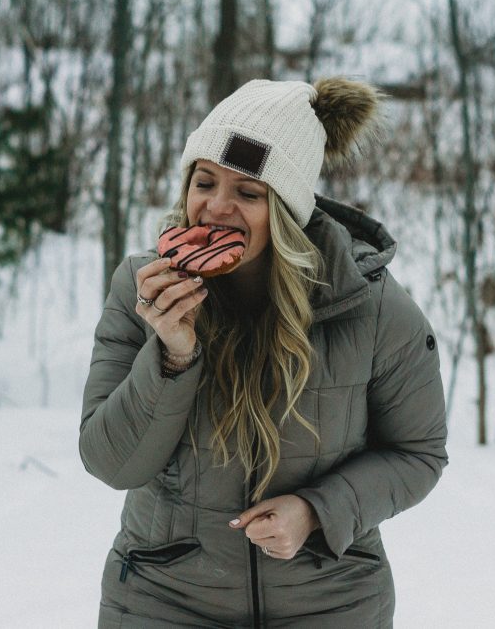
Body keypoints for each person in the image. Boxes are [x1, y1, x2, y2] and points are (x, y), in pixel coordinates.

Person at [80, 77, 448, 627]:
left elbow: (418, 453)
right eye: (204, 182)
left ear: (287, 210)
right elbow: (111, 461)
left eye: (249, 193)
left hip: (330, 602)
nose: (216, 209)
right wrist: (172, 355)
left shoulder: (369, 307)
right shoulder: (143, 287)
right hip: (165, 598)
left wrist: (317, 512)